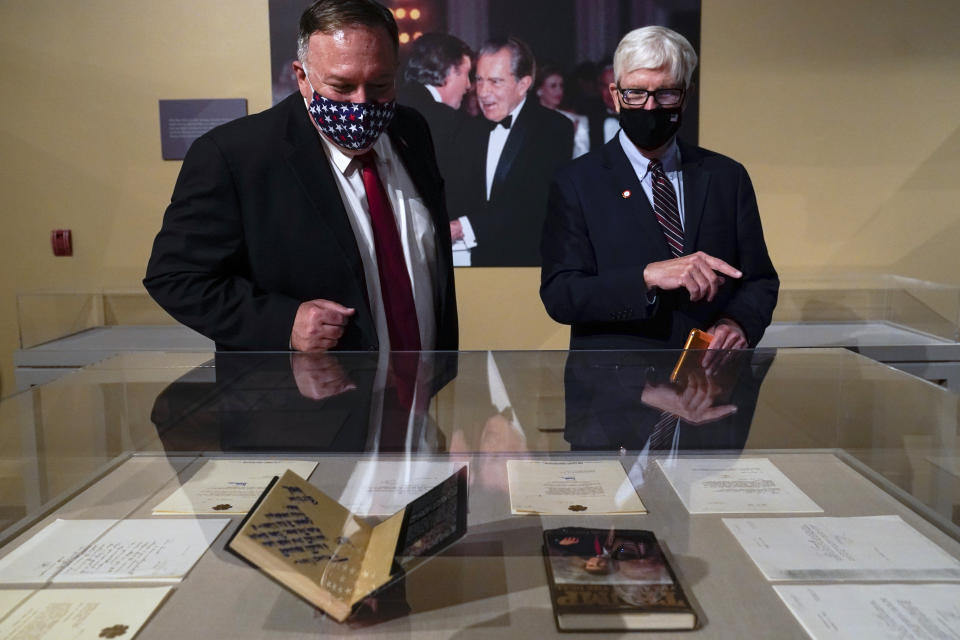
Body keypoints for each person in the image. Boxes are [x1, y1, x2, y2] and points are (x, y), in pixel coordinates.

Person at [144, 0, 457, 353]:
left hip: (422, 393)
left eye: (380, 84)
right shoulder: (235, 156)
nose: (361, 103)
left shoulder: (411, 130)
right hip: (306, 400)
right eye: (341, 87)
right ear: (302, 77)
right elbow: (175, 277)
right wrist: (283, 322)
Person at [540, 26, 778, 350]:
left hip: (710, 388)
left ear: (687, 96)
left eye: (666, 93)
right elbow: (561, 294)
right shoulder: (576, 182)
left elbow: (759, 281)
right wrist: (647, 276)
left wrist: (737, 323)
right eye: (636, 93)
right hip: (612, 393)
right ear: (614, 95)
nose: (650, 107)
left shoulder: (727, 177)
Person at [457, 36, 574, 267]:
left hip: (530, 268)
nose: (482, 92)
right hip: (478, 269)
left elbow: (535, 206)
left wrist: (466, 227)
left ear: (523, 84)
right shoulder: (469, 129)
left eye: (495, 81)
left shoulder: (553, 128)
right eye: (479, 80)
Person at [395, 33, 477, 265]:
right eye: (466, 74)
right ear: (449, 72)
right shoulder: (450, 121)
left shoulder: (392, 104)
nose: (470, 85)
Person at [535, 65, 590, 158]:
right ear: (539, 90)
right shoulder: (529, 120)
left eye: (561, 86)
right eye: (553, 86)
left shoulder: (575, 120)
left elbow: (582, 158)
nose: (559, 90)